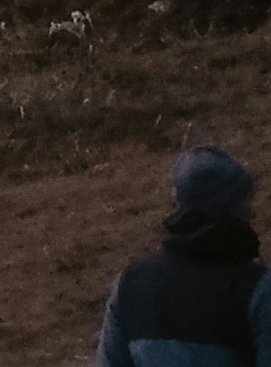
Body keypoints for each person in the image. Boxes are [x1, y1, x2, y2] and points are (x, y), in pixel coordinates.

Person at [100, 143, 264, 365]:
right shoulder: (257, 289)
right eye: (245, 199)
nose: (252, 210)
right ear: (235, 207)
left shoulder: (130, 285)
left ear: (178, 204)